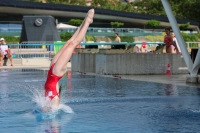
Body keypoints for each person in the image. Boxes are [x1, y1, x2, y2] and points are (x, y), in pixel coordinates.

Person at [44, 9, 95, 109]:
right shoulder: (55, 101)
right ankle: (88, 22)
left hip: (52, 70)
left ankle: (85, 20)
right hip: (56, 72)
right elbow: (54, 113)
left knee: (68, 42)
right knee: (72, 44)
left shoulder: (48, 100)